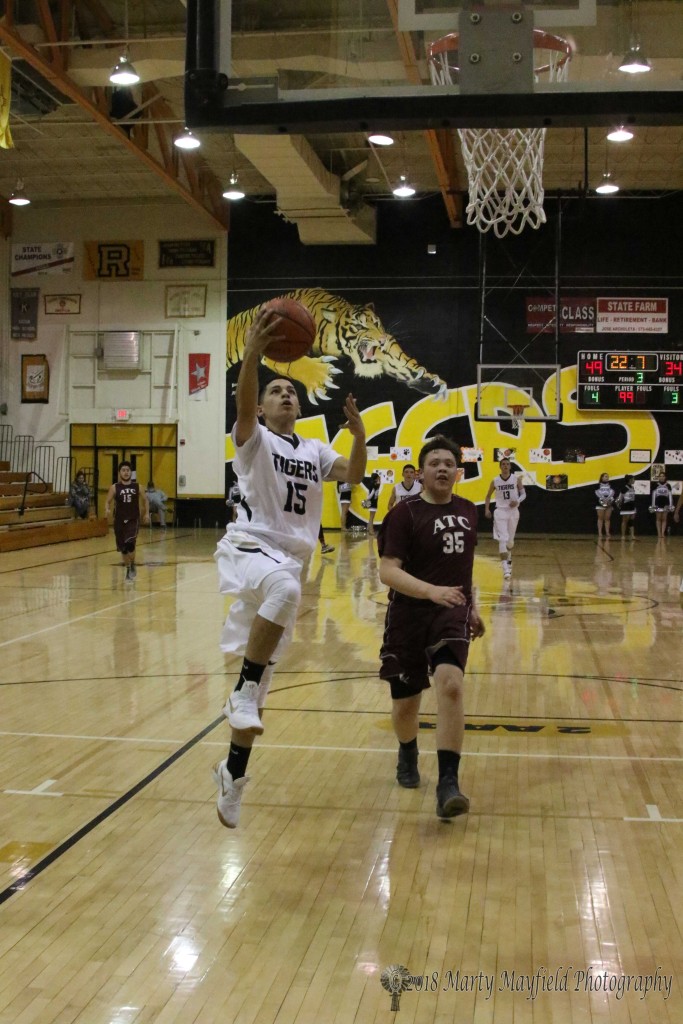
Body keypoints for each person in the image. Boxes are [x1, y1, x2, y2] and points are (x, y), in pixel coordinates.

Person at [212, 306, 367, 828]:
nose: (287, 396)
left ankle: (232, 776)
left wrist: (360, 433)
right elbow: (244, 400)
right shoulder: (255, 440)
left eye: (292, 392)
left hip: (289, 561)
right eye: (277, 390)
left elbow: (356, 475)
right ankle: (241, 690)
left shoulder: (316, 449)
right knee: (284, 594)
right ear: (261, 405)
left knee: (259, 698)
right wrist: (253, 352)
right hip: (252, 545)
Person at [378, 434, 485, 819]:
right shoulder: (404, 514)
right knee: (406, 704)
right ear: (420, 472)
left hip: (450, 613)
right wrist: (431, 591)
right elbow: (387, 571)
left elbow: (466, 570)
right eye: (433, 462)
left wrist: (471, 607)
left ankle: (448, 784)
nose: (441, 467)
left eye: (448, 462)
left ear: (458, 471)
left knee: (451, 686)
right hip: (408, 614)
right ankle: (408, 752)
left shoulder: (469, 511)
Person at [105, 461, 149, 581]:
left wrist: (146, 513)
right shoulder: (114, 487)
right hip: (119, 520)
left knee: (130, 544)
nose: (126, 472)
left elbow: (146, 500)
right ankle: (128, 568)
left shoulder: (138, 486)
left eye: (128, 470)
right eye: (123, 470)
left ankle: (133, 563)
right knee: (123, 548)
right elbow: (107, 501)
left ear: (131, 472)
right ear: (119, 472)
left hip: (133, 519)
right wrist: (107, 509)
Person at [484, 457, 526, 579]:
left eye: (507, 464)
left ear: (510, 466)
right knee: (503, 538)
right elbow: (487, 496)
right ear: (500, 466)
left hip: (513, 511)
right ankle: (505, 569)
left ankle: (509, 555)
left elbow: (524, 494)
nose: (505, 466)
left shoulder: (516, 479)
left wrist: (517, 501)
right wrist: (487, 509)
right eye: (503, 464)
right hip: (500, 511)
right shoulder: (495, 480)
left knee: (510, 542)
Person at [650, 470, 673, 539]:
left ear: (665, 477)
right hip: (657, 503)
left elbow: (670, 496)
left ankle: (663, 533)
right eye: (660, 476)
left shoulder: (668, 485)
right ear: (658, 477)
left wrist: (670, 505)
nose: (662, 477)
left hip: (665, 503)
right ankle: (659, 533)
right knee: (658, 518)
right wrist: (653, 505)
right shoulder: (655, 485)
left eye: (663, 476)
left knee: (664, 519)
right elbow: (653, 495)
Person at [594, 472, 615, 539]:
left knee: (607, 518)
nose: (607, 477)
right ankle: (600, 532)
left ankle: (607, 532)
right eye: (605, 476)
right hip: (600, 503)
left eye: (607, 476)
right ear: (602, 477)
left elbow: (612, 492)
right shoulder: (598, 485)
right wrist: (603, 499)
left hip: (609, 503)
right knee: (600, 518)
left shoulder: (611, 485)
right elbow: (596, 492)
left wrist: (608, 499)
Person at [362, 471, 382, 536]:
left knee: (371, 517)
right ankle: (371, 530)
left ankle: (369, 528)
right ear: (375, 478)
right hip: (372, 503)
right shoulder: (373, 485)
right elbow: (369, 496)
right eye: (378, 478)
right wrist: (372, 493)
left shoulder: (376, 485)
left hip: (374, 502)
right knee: (371, 517)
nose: (379, 479)